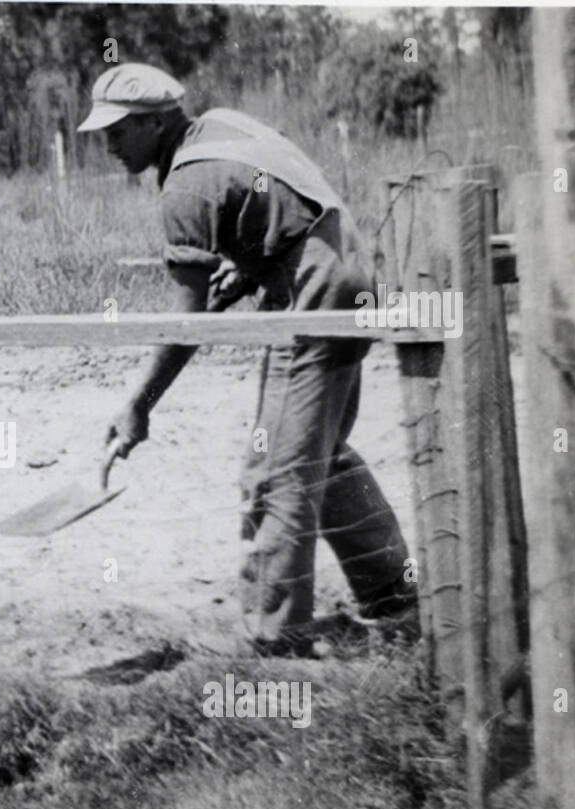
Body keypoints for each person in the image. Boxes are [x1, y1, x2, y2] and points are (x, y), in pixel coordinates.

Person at [77, 63, 418, 656]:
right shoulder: (218, 126)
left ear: (157, 121)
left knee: (274, 473)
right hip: (350, 271)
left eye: (119, 130)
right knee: (319, 452)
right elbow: (285, 202)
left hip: (314, 292)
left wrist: (138, 404)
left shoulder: (185, 185)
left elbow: (187, 323)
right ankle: (393, 598)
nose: (107, 143)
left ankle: (275, 641)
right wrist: (254, 264)